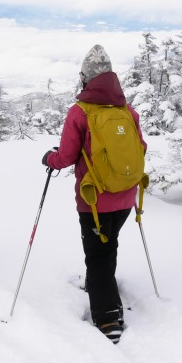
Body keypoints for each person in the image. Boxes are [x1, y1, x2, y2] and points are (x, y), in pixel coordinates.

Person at [42, 45, 146, 343]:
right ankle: (101, 288)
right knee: (107, 246)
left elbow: (65, 157)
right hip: (126, 196)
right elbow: (141, 149)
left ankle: (108, 317)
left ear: (85, 79)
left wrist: (49, 158)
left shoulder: (80, 112)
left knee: (97, 256)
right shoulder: (128, 111)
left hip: (94, 200)